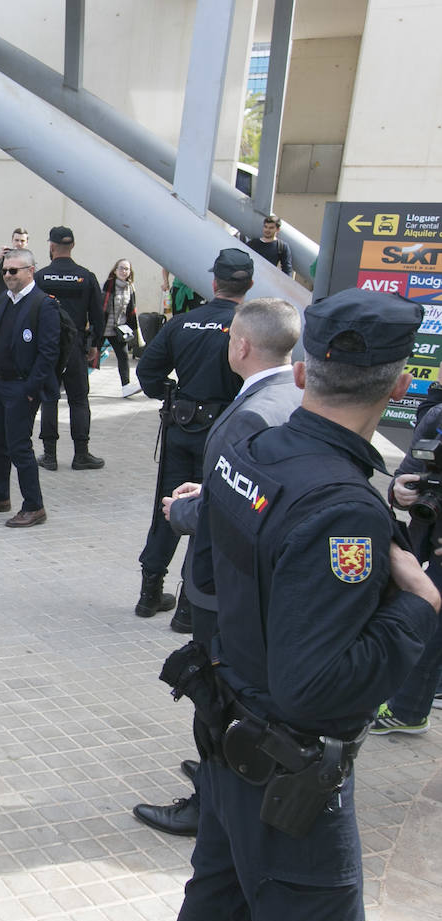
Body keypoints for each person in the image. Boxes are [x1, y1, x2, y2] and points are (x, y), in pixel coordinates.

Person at [174, 288, 439, 921]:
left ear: (300, 373)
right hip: (288, 785)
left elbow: (207, 573)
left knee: (217, 909)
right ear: (401, 383)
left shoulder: (250, 449)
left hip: (229, 737)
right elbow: (314, 684)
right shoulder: (342, 509)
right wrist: (418, 607)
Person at [132, 297, 302, 837]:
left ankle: (210, 798)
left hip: (221, 586)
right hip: (253, 585)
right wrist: (209, 489)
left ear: (242, 345)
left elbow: (236, 511)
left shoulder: (251, 411)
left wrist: (186, 508)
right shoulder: (291, 393)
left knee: (215, 693)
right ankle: (215, 773)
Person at [134, 249, 250, 625]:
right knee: (212, 512)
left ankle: (148, 595)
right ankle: (188, 607)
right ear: (248, 285)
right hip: (224, 432)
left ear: (213, 283)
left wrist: (172, 394)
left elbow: (149, 372)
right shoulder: (248, 327)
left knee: (168, 507)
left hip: (181, 426)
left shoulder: (184, 322)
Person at [371, 381, 442, 736]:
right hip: (430, 538)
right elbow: (403, 481)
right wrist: (400, 491)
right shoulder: (435, 419)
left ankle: (409, 708)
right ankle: (412, 705)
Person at [0, 247, 60, 528]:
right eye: (5, 271)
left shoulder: (43, 304)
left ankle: (34, 506)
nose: (7, 275)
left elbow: (49, 354)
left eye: (13, 270)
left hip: (22, 388)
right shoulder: (2, 301)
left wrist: (31, 389)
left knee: (19, 447)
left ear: (30, 271)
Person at [35, 226, 105, 471]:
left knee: (49, 398)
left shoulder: (41, 277)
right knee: (78, 399)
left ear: (52, 246)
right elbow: (99, 315)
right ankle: (81, 454)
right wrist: (95, 345)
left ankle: (50, 456)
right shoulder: (86, 277)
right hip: (75, 345)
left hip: (48, 346)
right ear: (72, 246)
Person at [97, 259, 138, 386]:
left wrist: (132, 329)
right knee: (91, 357)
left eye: (126, 269)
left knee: (124, 358)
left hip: (119, 330)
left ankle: (126, 386)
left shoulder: (130, 288)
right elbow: (99, 307)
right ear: (115, 270)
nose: (123, 271)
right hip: (103, 327)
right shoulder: (107, 285)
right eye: (121, 268)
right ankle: (81, 385)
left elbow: (131, 310)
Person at [0, 227, 29, 306]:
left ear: (27, 243)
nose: (19, 243)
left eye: (22, 241)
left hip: (20, 304)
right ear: (12, 241)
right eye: (16, 240)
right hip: (0, 303)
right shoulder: (3, 258)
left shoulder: (29, 262)